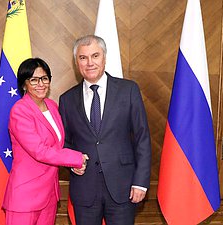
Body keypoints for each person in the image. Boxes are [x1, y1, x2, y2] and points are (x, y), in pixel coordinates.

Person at [59, 35, 151, 225]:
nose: (90, 63)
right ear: (77, 62)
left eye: (95, 56)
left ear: (104, 57)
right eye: (83, 58)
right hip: (84, 190)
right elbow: (65, 142)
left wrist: (140, 181)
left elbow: (142, 137)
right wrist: (71, 162)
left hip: (123, 187)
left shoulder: (129, 90)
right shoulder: (66, 99)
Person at [2, 57, 88, 225]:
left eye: (44, 78)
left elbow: (58, 145)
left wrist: (72, 163)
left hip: (49, 193)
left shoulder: (52, 106)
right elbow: (39, 150)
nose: (40, 84)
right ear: (24, 84)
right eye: (33, 80)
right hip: (26, 195)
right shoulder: (19, 111)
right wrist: (75, 158)